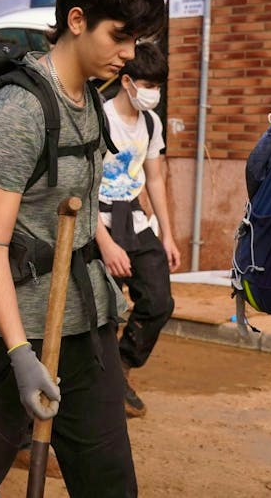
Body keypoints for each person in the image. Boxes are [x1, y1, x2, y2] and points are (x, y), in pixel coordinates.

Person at [0, 0, 165, 497]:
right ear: (78, 19)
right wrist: (20, 354)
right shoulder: (19, 108)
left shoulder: (90, 96)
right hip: (7, 334)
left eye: (138, 40)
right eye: (121, 36)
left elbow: (81, 210)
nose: (129, 54)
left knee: (110, 483)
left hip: (86, 322)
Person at [96, 41, 180, 418]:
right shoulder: (98, 118)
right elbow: (78, 184)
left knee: (159, 301)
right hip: (97, 222)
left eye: (158, 86)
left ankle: (121, 366)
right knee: (103, 313)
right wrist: (105, 244)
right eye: (148, 84)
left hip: (136, 219)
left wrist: (167, 234)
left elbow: (156, 179)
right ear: (126, 81)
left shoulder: (151, 122)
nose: (154, 94)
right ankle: (99, 389)